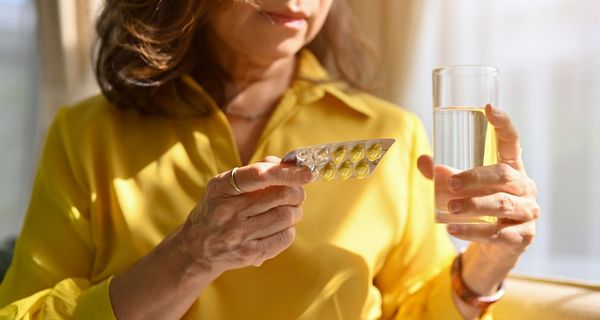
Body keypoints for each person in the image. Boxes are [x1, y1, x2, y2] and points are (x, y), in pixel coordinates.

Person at [0, 0, 539, 319]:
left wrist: (488, 264)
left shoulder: (391, 133)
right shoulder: (86, 135)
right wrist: (190, 256)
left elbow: (415, 309)